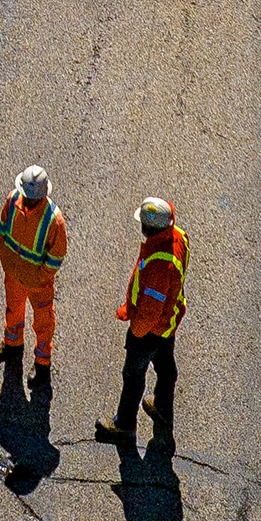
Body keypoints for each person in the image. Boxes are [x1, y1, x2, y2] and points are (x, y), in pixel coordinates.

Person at [96, 194, 187, 453]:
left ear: (149, 228)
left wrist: (136, 332)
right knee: (166, 367)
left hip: (150, 329)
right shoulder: (178, 237)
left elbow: (149, 310)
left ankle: (124, 425)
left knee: (133, 375)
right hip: (168, 323)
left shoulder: (159, 265)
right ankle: (162, 409)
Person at [0, 166, 67, 376]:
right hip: (14, 274)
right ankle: (12, 345)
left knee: (43, 322)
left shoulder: (54, 220)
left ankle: (42, 363)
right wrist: (5, 258)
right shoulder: (13, 199)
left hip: (38, 283)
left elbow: (56, 256)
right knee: (13, 311)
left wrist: (40, 278)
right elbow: (2, 229)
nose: (27, 200)